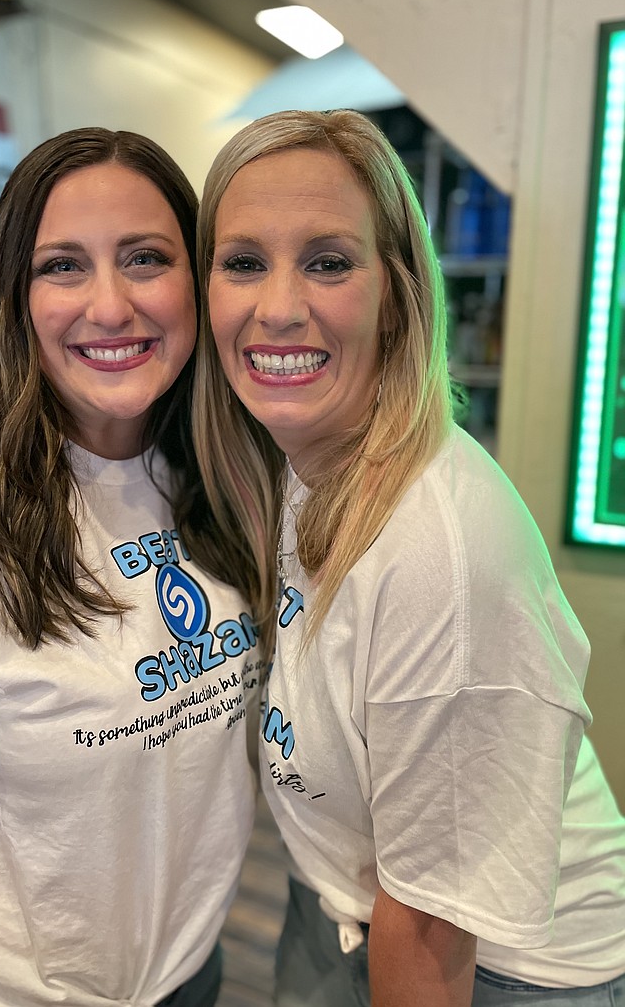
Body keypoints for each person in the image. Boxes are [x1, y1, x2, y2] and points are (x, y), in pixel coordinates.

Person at [192, 109, 625, 1006]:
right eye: (243, 262)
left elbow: (432, 926)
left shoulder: (439, 552)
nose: (277, 307)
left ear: (397, 292)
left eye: (328, 261)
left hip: (499, 968)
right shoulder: (313, 462)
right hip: (352, 900)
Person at [0, 127, 263, 1007]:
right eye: (62, 265)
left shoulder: (221, 467)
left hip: (190, 975)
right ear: (14, 295)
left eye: (145, 258)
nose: (110, 306)